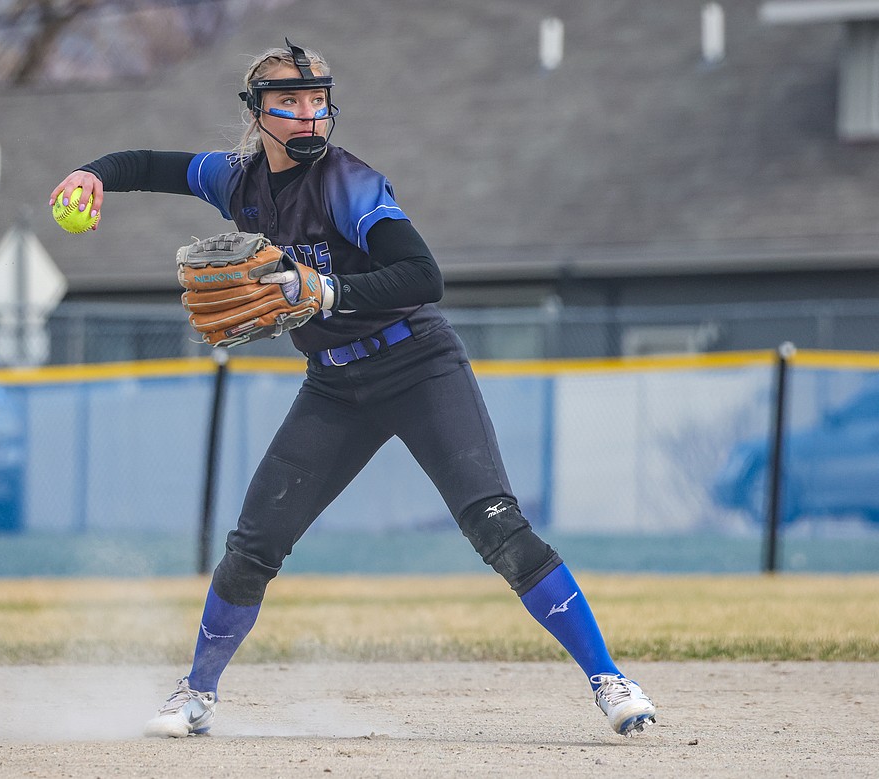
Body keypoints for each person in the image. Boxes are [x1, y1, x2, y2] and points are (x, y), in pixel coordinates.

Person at [49, 38, 656, 739]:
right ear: (256, 112)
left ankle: (610, 679)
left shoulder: (348, 182)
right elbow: (151, 165)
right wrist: (91, 173)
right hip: (336, 385)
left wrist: (327, 289)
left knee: (496, 526)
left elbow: (424, 278)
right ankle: (197, 693)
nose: (308, 116)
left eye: (316, 101)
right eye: (288, 103)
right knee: (254, 544)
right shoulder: (236, 180)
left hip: (418, 364)